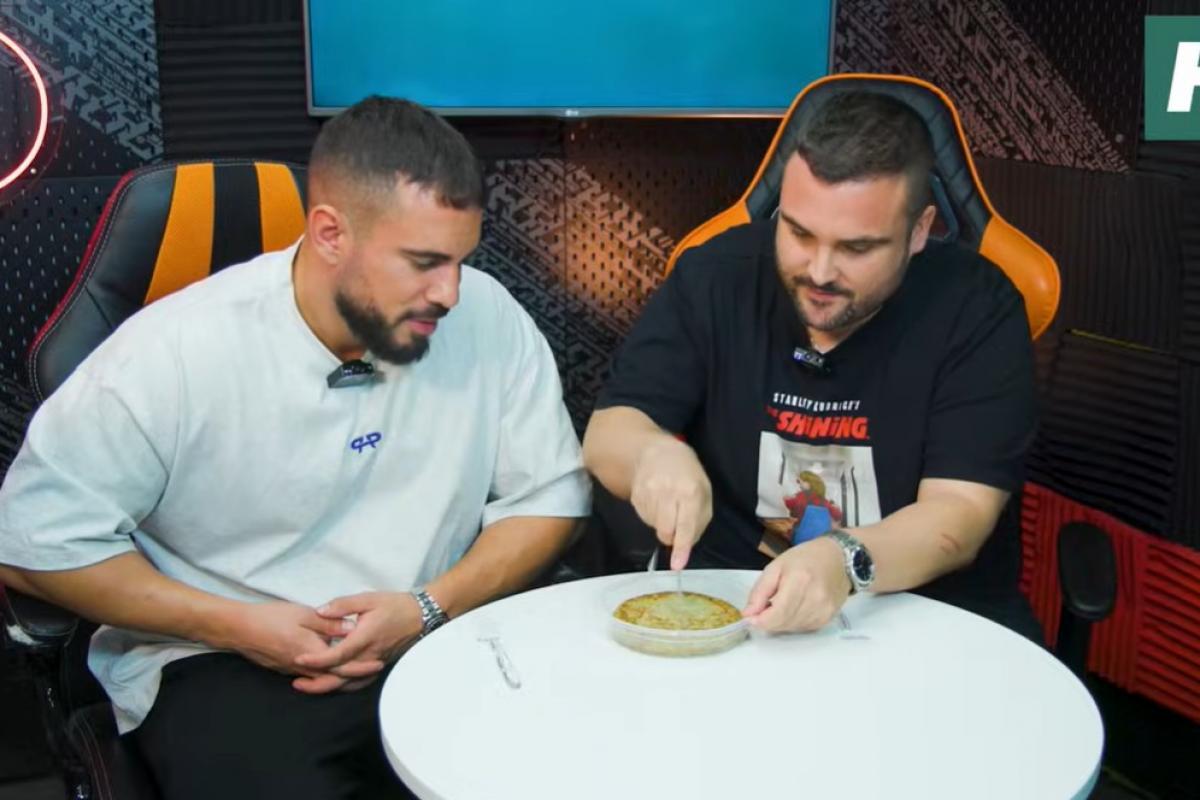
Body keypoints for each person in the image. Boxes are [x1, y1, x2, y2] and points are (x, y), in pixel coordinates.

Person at [0, 96, 591, 799]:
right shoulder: (172, 352)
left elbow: (551, 498)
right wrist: (239, 626)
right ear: (330, 233)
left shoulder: (488, 315)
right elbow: (30, 546)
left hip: (436, 629)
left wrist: (427, 607)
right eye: (424, 262)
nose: (452, 293)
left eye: (462, 260)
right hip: (225, 657)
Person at [583, 90, 1037, 638]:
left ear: (920, 230)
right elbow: (609, 433)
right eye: (798, 232)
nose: (819, 272)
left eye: (856, 248)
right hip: (736, 603)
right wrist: (651, 454)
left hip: (918, 613)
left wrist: (842, 559)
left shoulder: (977, 307)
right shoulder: (715, 277)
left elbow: (958, 514)